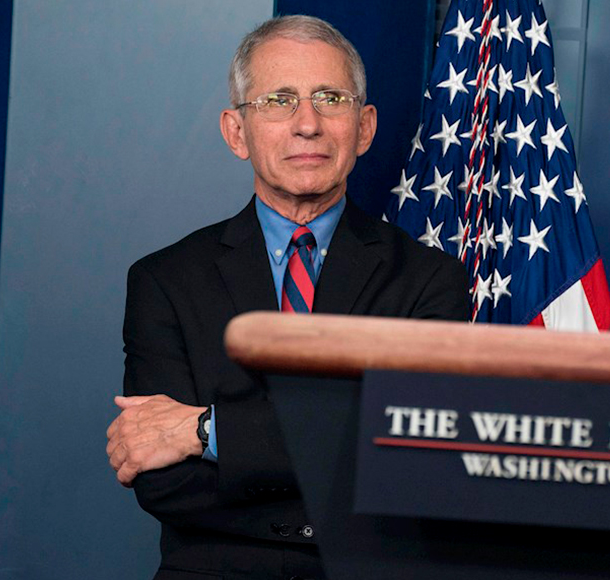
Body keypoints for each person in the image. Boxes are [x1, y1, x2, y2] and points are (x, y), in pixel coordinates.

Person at [105, 15, 470, 580]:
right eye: (278, 100)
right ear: (236, 132)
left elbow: (414, 456)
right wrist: (343, 449)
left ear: (365, 127)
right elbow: (164, 482)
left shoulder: (430, 281)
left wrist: (205, 431)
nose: (307, 124)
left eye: (330, 98)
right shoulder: (165, 280)